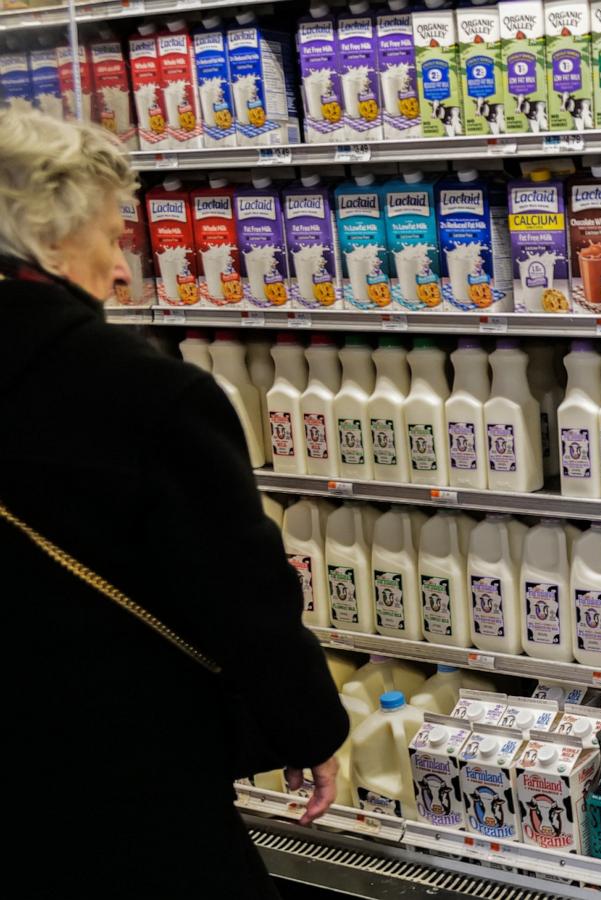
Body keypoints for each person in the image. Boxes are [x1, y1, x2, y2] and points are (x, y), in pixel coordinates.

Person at [0, 109, 347, 895]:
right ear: (47, 239)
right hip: (118, 766)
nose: (123, 270)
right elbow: (241, 592)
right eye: (113, 237)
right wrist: (309, 728)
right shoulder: (141, 391)